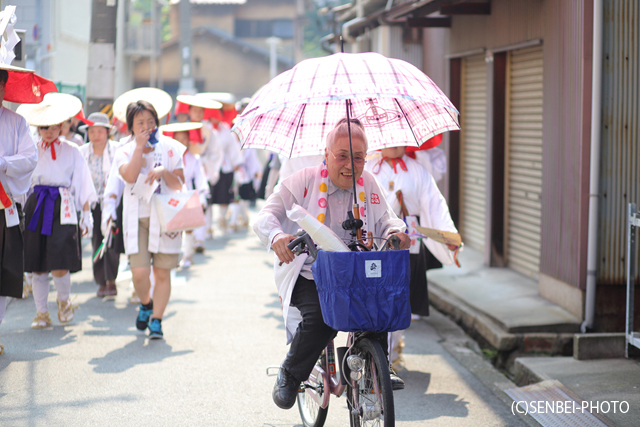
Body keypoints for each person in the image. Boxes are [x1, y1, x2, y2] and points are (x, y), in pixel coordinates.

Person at [253, 118, 411, 410]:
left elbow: (388, 220)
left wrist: (394, 233)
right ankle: (290, 374)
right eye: (342, 156)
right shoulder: (302, 180)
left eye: (359, 156)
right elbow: (264, 217)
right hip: (310, 273)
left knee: (380, 306)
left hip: (355, 273)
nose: (351, 164)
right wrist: (276, 236)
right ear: (326, 153)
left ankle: (380, 365)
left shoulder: (369, 183)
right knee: (323, 318)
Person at [366, 144, 458, 370]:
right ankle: (372, 350)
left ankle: (393, 351)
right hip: (374, 239)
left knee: (399, 298)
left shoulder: (418, 170)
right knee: (372, 297)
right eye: (389, 140)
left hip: (407, 243)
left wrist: (449, 235)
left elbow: (435, 205)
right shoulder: (367, 167)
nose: (394, 145)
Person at [17, 93, 97, 329]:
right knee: (38, 264)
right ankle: (42, 312)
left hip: (63, 206)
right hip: (37, 205)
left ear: (62, 126)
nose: (48, 132)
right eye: (44, 128)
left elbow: (83, 182)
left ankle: (64, 302)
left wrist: (87, 216)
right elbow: (23, 181)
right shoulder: (31, 149)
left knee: (61, 262)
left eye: (53, 127)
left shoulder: (73, 150)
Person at [115, 100, 185, 339]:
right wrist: (138, 148)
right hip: (137, 218)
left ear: (157, 121)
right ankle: (145, 303)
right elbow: (130, 175)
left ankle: (157, 319)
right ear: (131, 126)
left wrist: (164, 171)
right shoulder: (122, 150)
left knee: (163, 272)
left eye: (150, 121)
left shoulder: (171, 147)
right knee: (140, 272)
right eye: (140, 123)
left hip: (165, 217)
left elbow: (179, 184)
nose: (146, 127)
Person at [0, 69, 39, 354]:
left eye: (0, 86)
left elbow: (30, 158)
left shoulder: (16, 122)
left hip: (5, 208)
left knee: (6, 271)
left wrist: (3, 163)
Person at [79, 112, 121, 297]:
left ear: (107, 132)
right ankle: (101, 281)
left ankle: (112, 281)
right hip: (93, 203)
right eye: (92, 131)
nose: (96, 135)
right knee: (96, 241)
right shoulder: (83, 152)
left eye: (100, 131)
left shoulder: (116, 150)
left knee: (111, 241)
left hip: (112, 202)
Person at [158, 122, 209, 267]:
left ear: (188, 140)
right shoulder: (168, 157)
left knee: (189, 227)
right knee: (172, 227)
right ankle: (172, 256)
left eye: (184, 138)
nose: (181, 142)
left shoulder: (194, 158)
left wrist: (203, 195)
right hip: (171, 194)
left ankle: (187, 255)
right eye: (178, 139)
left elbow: (200, 177)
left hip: (189, 194)